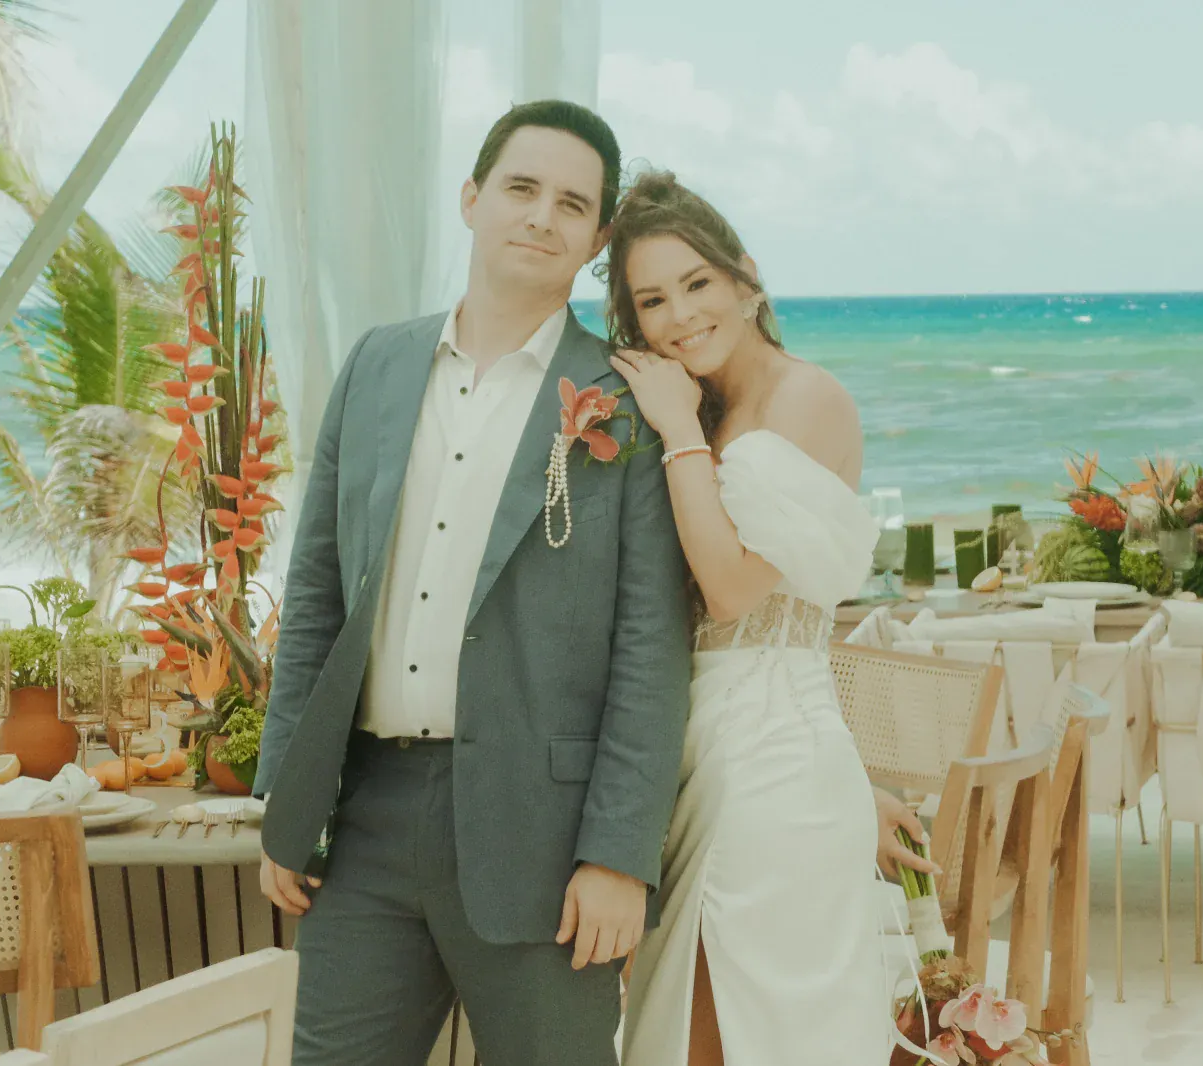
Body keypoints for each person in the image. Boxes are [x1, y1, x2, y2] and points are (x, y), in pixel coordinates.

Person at [251, 100, 691, 1066]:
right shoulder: (375, 364)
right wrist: (286, 791)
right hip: (364, 826)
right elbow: (316, 595)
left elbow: (651, 650)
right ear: (471, 198)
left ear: (597, 239)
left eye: (572, 204)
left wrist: (619, 856)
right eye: (521, 188)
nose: (541, 216)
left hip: (548, 846)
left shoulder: (627, 400)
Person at [605, 169, 940, 1066]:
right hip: (706, 754)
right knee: (684, 1026)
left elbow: (732, 592)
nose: (680, 316)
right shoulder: (708, 406)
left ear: (745, 278)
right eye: (653, 301)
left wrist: (677, 428)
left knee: (746, 1028)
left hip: (770, 774)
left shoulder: (804, 398)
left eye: (697, 283)